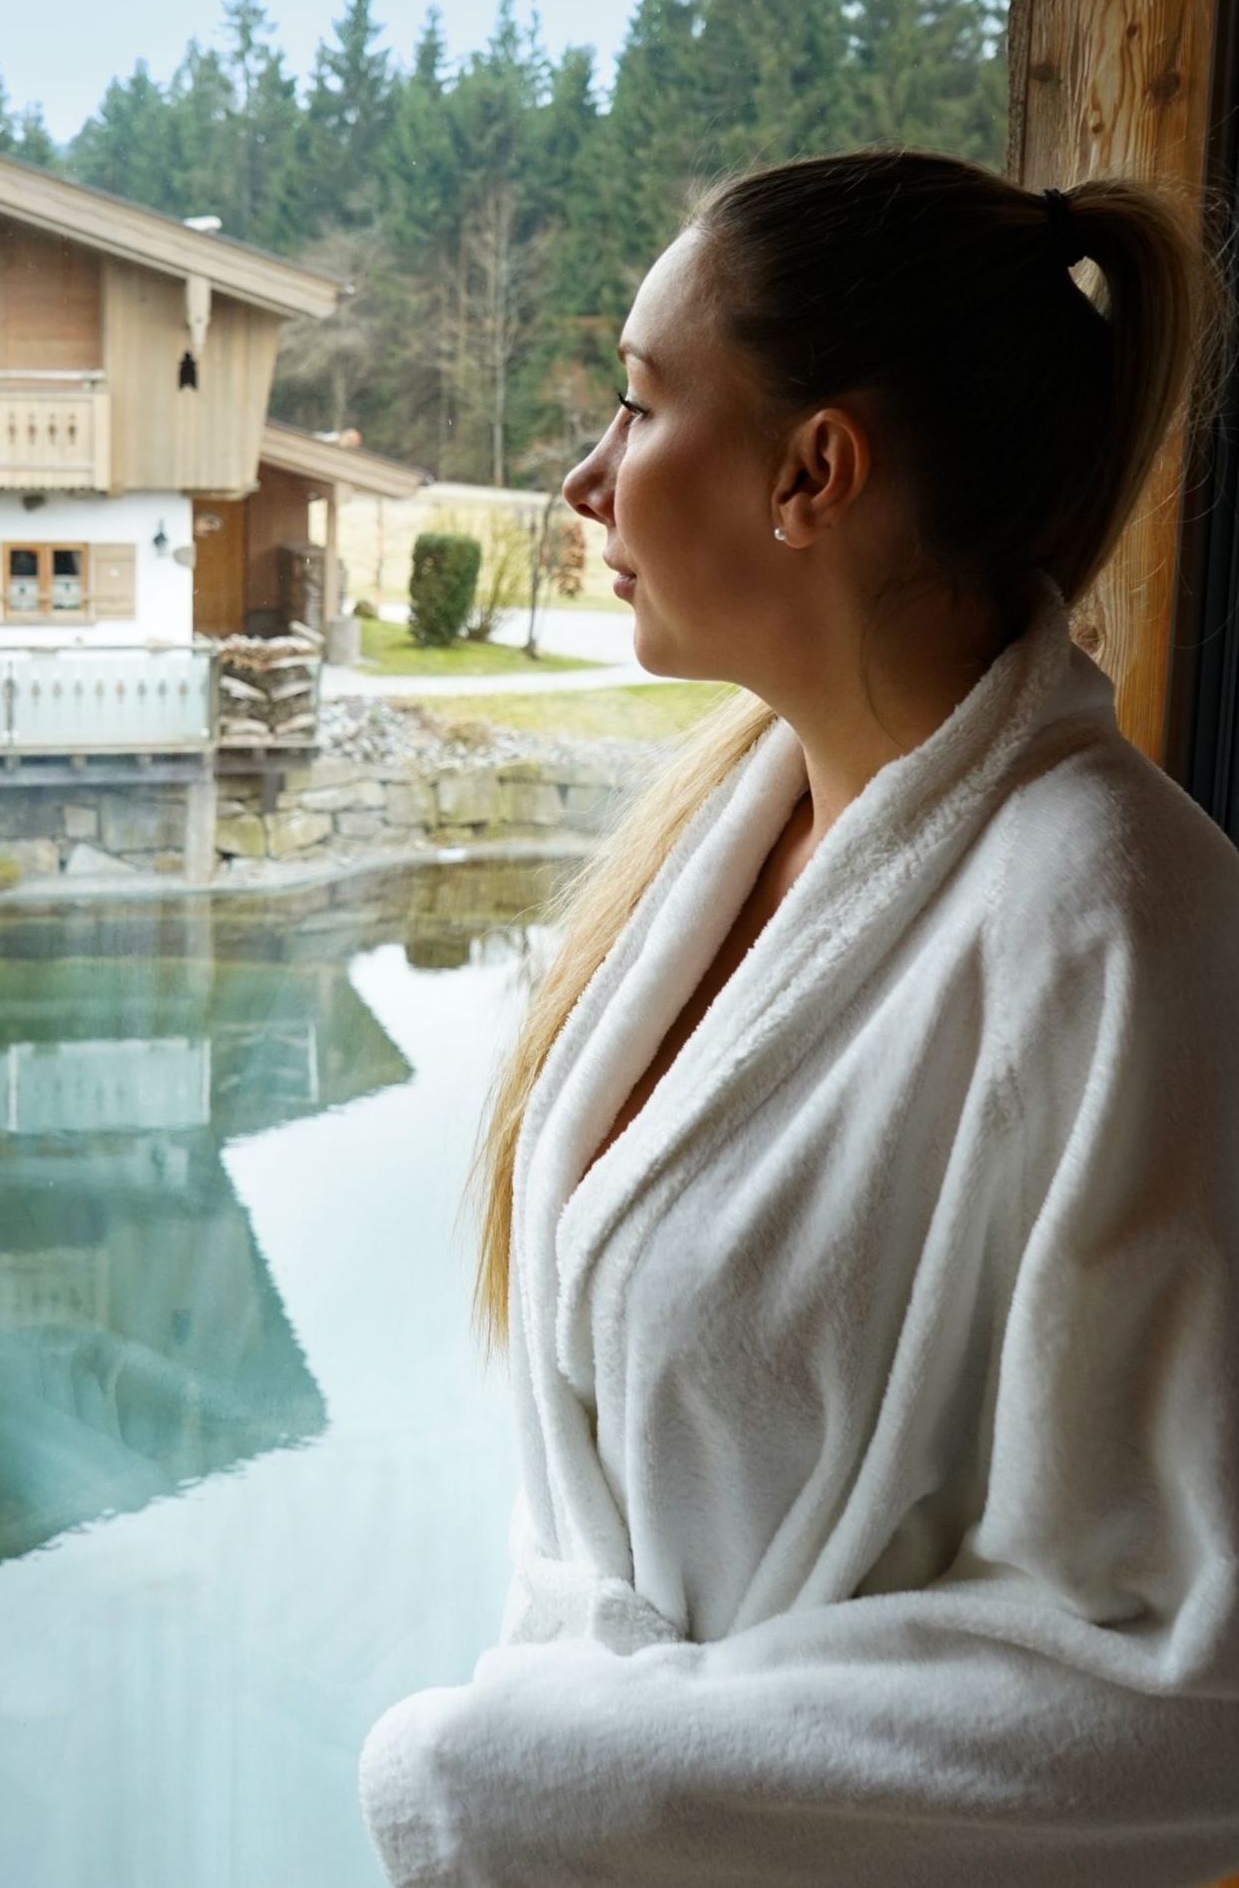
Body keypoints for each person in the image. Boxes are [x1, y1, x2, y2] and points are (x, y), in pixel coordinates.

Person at [357, 146, 1239, 1887]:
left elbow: (1187, 1672)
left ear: (811, 471)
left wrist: (530, 1781)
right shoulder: (727, 830)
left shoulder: (1114, 925)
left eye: (637, 403)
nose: (585, 476)